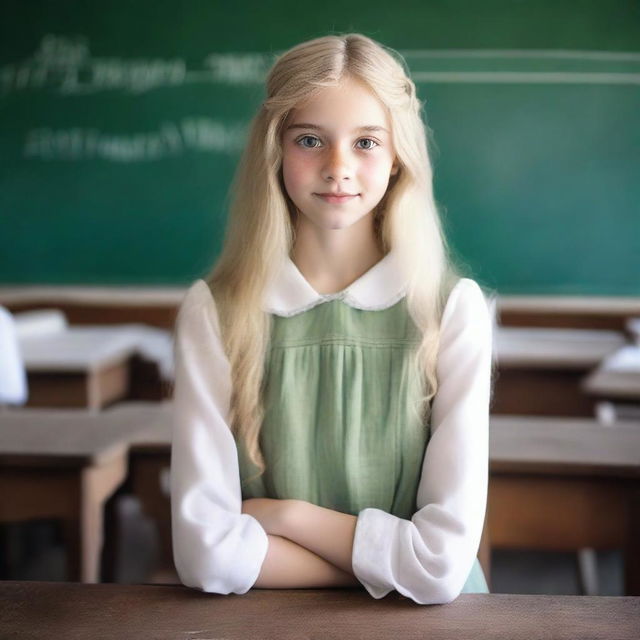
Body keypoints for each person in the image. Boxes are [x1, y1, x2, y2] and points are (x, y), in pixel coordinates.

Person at [170, 32, 493, 605]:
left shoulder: (450, 310)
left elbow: (442, 565)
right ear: (275, 151)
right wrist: (390, 565)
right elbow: (205, 555)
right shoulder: (215, 313)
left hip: (429, 625)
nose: (338, 167)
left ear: (398, 157)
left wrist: (287, 516)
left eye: (367, 141)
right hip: (265, 621)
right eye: (310, 140)